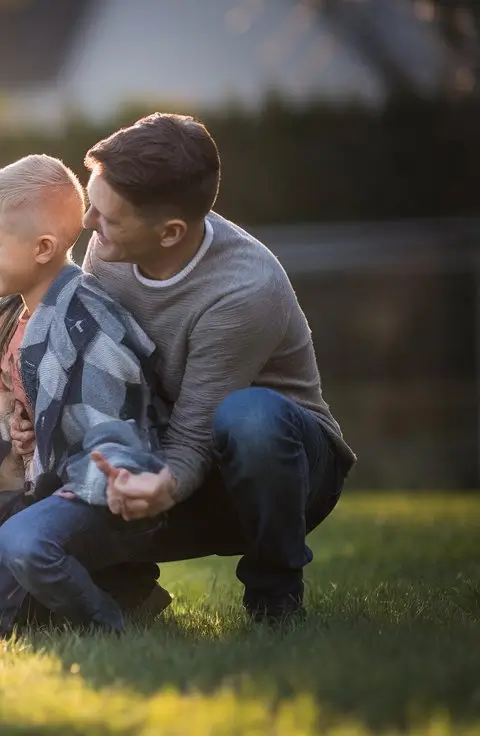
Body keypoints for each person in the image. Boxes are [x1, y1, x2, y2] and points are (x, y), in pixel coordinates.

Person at [78, 112, 356, 623]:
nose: (88, 225)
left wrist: (164, 484)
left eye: (107, 217)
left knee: (248, 416)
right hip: (171, 452)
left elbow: (197, 432)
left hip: (282, 471)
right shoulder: (109, 247)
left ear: (170, 233)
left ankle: (275, 598)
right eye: (91, 206)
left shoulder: (244, 290)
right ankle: (123, 592)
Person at [0, 154, 173, 641]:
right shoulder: (11, 314)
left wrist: (50, 489)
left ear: (42, 248)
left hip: (83, 495)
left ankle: (111, 614)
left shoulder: (90, 327)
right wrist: (27, 432)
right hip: (33, 477)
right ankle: (49, 591)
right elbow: (20, 406)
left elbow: (115, 445)